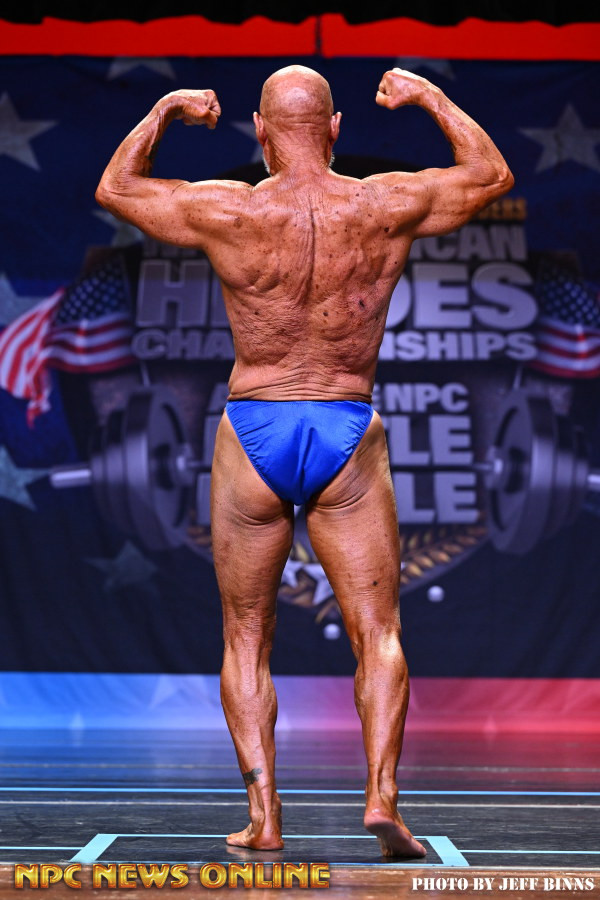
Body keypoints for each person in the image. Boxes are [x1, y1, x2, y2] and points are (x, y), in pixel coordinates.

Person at [96, 65, 513, 857]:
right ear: (335, 128)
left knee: (245, 636)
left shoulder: (230, 208)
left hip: (256, 426)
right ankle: (382, 798)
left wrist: (165, 109)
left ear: (259, 130)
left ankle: (265, 818)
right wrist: (429, 97)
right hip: (344, 427)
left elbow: (117, 188)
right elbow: (490, 174)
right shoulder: (383, 203)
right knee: (378, 632)